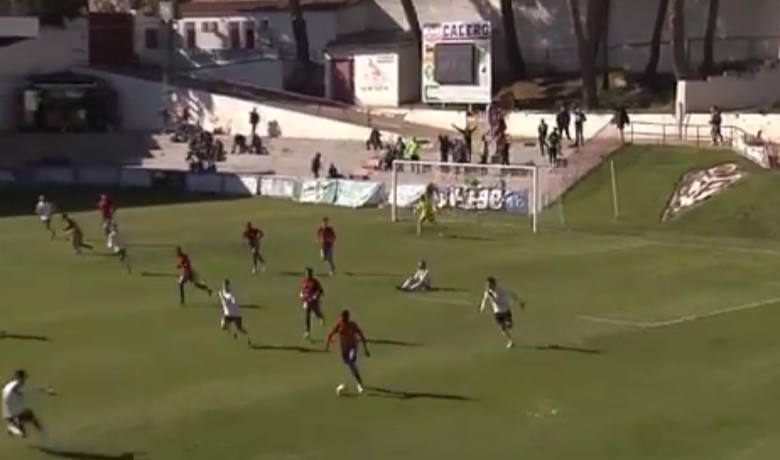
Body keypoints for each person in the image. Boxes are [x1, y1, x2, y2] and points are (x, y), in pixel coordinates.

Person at [324, 309, 370, 395]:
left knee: (351, 362)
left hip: (352, 346)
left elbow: (361, 335)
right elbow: (330, 334)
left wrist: (366, 349)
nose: (344, 318)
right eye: (343, 317)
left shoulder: (353, 325)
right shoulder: (339, 325)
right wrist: (327, 345)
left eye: (345, 317)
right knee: (350, 364)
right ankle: (358, 381)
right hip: (344, 349)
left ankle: (359, 384)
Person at [2, 369, 55, 439]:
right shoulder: (17, 385)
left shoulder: (8, 386)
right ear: (20, 378)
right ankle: (43, 434)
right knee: (30, 416)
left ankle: (14, 429)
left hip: (8, 415)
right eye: (24, 378)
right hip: (14, 414)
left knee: (23, 433)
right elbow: (32, 389)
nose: (24, 381)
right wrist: (46, 390)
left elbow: (6, 390)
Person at [478, 276, 524, 349]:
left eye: (490, 284)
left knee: (509, 326)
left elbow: (512, 293)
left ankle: (510, 325)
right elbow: (484, 299)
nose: (488, 286)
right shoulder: (488, 292)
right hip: (497, 312)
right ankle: (511, 341)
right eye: (487, 285)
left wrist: (519, 302)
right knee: (502, 328)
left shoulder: (501, 289)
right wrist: (482, 307)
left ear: (494, 284)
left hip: (505, 309)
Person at [219, 279, 251, 345]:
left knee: (240, 329)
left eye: (226, 285)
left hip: (236, 314)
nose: (224, 287)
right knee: (223, 326)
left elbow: (231, 300)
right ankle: (234, 332)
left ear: (228, 286)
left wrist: (223, 297)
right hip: (228, 314)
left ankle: (248, 337)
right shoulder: (222, 292)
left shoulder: (231, 293)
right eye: (224, 285)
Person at [300, 267, 325, 340]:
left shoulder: (315, 282)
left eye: (309, 273)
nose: (308, 275)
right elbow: (303, 289)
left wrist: (316, 296)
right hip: (307, 301)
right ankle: (307, 332)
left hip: (314, 301)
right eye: (307, 273)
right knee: (307, 315)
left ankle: (321, 317)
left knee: (316, 312)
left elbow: (320, 291)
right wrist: (302, 294)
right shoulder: (303, 281)